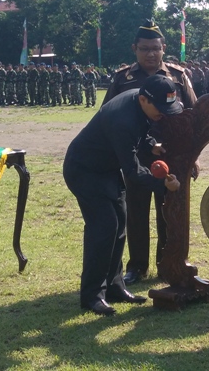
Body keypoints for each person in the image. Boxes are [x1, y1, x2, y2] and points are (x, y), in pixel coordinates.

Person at [64, 75, 182, 316]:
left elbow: (139, 133)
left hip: (106, 169)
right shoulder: (123, 120)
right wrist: (163, 185)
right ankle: (91, 295)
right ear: (143, 100)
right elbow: (132, 170)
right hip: (84, 170)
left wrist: (151, 145)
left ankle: (115, 286)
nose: (163, 114)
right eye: (160, 108)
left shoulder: (141, 100)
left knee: (119, 225)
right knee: (104, 227)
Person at [102, 20, 198, 285]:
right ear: (135, 49)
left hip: (173, 156)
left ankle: (167, 263)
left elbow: (194, 116)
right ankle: (137, 266)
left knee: (171, 211)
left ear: (164, 48)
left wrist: (194, 158)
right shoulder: (123, 79)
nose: (151, 54)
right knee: (136, 212)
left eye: (155, 48)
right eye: (144, 49)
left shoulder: (178, 76)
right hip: (137, 157)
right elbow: (107, 116)